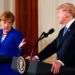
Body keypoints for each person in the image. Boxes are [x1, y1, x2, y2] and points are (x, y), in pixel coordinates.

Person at [38, 3, 75, 75]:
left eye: (59, 13)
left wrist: (61, 61)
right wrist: (38, 57)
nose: (57, 16)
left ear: (67, 13)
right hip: (62, 69)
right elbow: (53, 46)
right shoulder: (63, 30)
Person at [0, 11, 25, 75]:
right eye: (4, 22)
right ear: (0, 22)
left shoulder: (17, 35)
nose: (6, 25)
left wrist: (19, 49)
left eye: (9, 23)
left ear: (12, 23)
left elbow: (19, 54)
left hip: (10, 70)